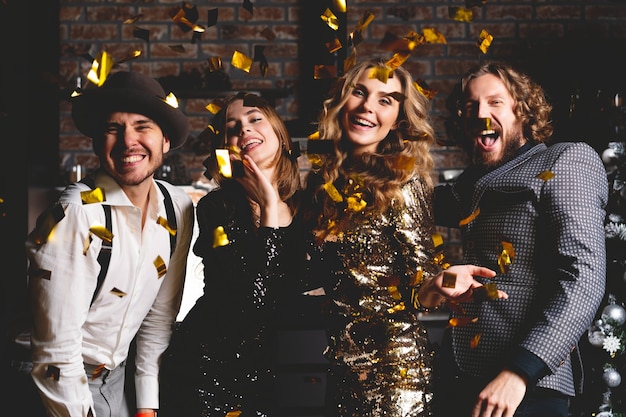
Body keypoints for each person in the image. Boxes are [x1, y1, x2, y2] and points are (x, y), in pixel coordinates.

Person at [299, 57, 504, 417]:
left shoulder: (402, 183)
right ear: (341, 102)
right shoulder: (321, 185)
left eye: (385, 99)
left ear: (399, 119)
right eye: (359, 92)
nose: (367, 107)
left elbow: (420, 284)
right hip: (342, 371)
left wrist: (442, 283)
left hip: (394, 373)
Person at [427, 61, 608, 417]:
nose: (480, 114)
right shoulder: (475, 183)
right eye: (470, 106)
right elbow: (414, 205)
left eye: (495, 102)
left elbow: (584, 279)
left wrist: (519, 372)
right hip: (459, 378)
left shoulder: (567, 160)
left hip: (527, 388)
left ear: (523, 112)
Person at [22, 71, 195, 417]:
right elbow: (55, 352)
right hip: (51, 380)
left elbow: (158, 319)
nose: (128, 141)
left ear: (165, 141)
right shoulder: (76, 214)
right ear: (97, 143)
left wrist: (147, 405)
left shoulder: (178, 209)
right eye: (113, 129)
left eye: (142, 126)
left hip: (113, 378)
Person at [158, 92, 306, 417]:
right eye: (233, 127)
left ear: (279, 133)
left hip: (274, 372)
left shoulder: (308, 207)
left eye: (255, 119)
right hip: (208, 371)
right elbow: (253, 304)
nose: (245, 130)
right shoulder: (218, 207)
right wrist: (268, 207)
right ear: (226, 147)